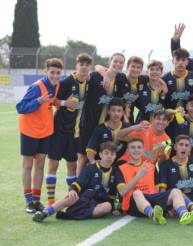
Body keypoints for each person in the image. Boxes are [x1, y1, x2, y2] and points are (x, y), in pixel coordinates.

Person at [32, 142, 126, 222]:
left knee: (107, 207)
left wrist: (117, 209)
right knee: (71, 196)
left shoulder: (116, 171)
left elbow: (121, 190)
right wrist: (72, 190)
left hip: (101, 201)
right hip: (86, 197)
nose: (109, 156)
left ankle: (70, 215)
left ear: (115, 156)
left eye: (112, 154)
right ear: (100, 155)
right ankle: (46, 212)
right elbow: (79, 183)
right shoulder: (90, 168)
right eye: (106, 153)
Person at [119, 138, 193, 225]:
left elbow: (158, 188)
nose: (136, 150)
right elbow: (122, 192)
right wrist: (138, 176)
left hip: (153, 200)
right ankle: (153, 214)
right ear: (127, 151)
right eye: (133, 147)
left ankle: (184, 214)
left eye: (139, 147)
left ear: (142, 150)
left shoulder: (150, 166)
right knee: (137, 193)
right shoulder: (121, 168)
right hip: (134, 204)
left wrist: (167, 204)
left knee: (175, 191)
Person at [16, 58, 63, 213]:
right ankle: (28, 201)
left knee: (41, 164)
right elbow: (21, 107)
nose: (55, 76)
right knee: (28, 165)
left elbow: (52, 101)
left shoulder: (57, 86)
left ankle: (36, 200)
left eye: (58, 73)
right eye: (52, 72)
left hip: (45, 131)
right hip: (29, 131)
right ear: (46, 71)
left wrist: (62, 103)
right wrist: (37, 101)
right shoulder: (37, 87)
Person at [46, 53, 92, 206]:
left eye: (87, 65)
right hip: (59, 130)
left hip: (76, 133)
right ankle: (51, 201)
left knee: (72, 166)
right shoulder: (66, 82)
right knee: (53, 164)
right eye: (81, 64)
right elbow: (53, 100)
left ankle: (69, 201)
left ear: (89, 68)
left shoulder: (90, 83)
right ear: (76, 66)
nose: (84, 67)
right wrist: (65, 102)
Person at [77, 53, 125, 176]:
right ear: (109, 61)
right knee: (83, 156)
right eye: (115, 61)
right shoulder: (95, 76)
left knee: (104, 158)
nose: (118, 64)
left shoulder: (121, 80)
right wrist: (103, 73)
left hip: (106, 127)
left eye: (121, 62)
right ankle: (75, 190)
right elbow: (85, 74)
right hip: (89, 124)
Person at [86, 98, 130, 163]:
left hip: (121, 165)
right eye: (113, 110)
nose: (116, 114)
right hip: (103, 164)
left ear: (123, 112)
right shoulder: (100, 129)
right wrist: (92, 162)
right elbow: (90, 150)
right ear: (108, 111)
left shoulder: (127, 127)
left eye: (119, 111)